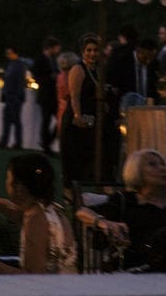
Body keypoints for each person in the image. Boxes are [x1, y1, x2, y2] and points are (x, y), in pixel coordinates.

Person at [0, 152, 77, 274]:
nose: (6, 182)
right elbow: (17, 213)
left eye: (8, 178)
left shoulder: (34, 219)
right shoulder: (48, 208)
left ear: (19, 187)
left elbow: (33, 279)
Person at [58, 32, 118, 188]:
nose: (92, 53)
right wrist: (78, 115)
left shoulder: (99, 70)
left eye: (95, 50)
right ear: (83, 52)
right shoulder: (78, 69)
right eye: (89, 50)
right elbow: (74, 96)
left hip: (93, 122)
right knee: (75, 163)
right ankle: (71, 197)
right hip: (77, 123)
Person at [31, 35, 61, 152]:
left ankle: (46, 142)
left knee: (57, 119)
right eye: (57, 48)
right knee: (47, 120)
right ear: (51, 48)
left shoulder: (52, 60)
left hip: (53, 95)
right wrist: (50, 78)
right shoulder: (40, 60)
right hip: (45, 94)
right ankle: (46, 144)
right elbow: (36, 76)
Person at [0, 44, 28, 150]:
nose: (8, 55)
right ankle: (4, 141)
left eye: (9, 53)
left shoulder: (19, 65)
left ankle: (17, 142)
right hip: (9, 96)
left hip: (14, 96)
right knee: (7, 119)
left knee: (15, 120)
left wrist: (18, 95)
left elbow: (20, 82)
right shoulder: (11, 64)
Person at [104, 23, 139, 101]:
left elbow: (110, 74)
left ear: (122, 37)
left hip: (123, 96)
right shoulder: (141, 52)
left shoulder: (118, 53)